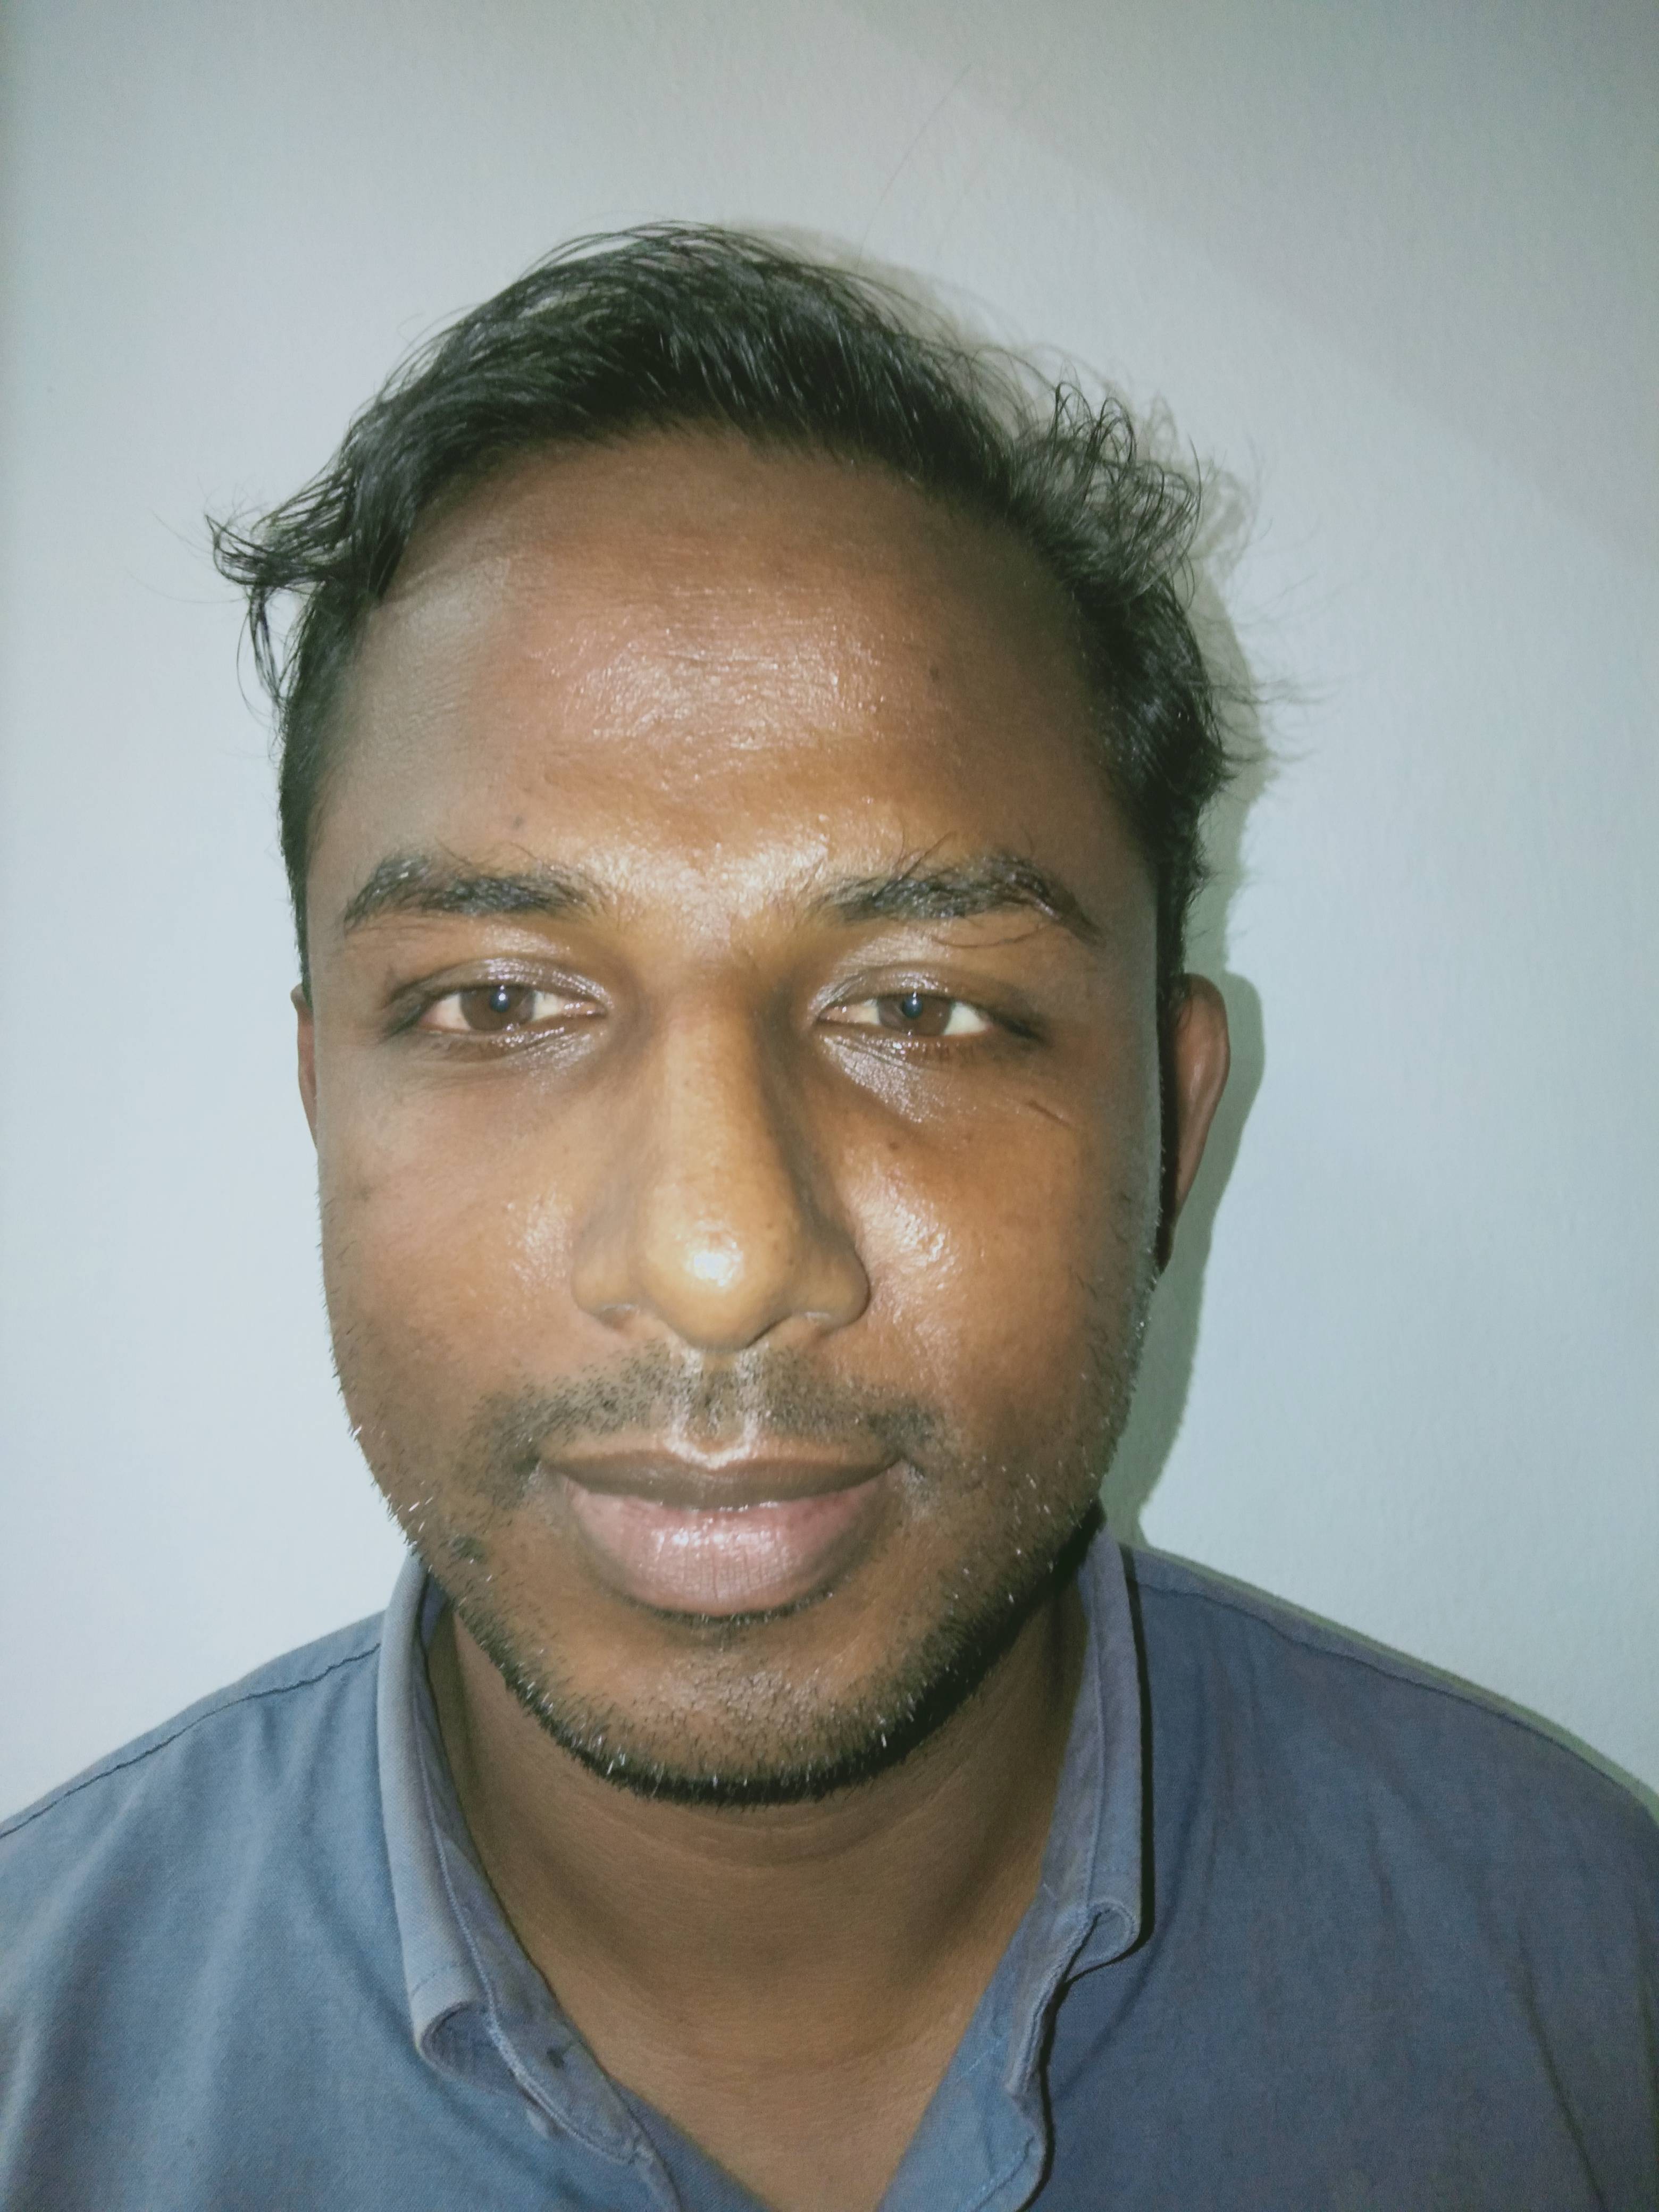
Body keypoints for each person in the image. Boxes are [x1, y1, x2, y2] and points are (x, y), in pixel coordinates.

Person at [1, 225, 1653, 2212]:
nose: (719, 1261)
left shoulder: (1587, 1996)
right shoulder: (41, 2062)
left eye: (921, 1010)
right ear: (317, 1102)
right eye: (499, 1005)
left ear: (1174, 1128)